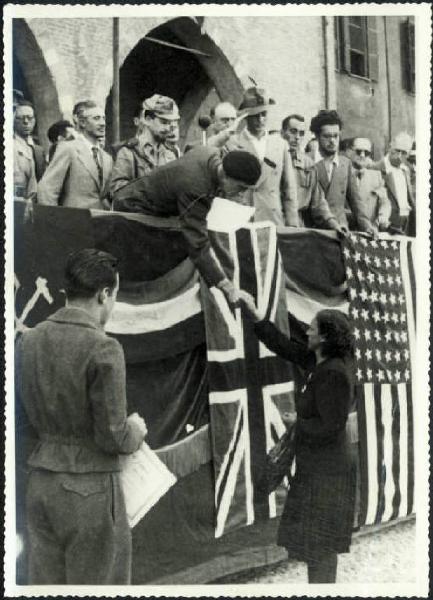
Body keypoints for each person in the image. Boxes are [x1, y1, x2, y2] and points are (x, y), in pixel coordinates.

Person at [15, 249, 148, 584]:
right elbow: (113, 436)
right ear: (104, 294)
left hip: (40, 484)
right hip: (90, 489)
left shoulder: (27, 341)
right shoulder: (104, 347)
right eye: (114, 295)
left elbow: (22, 421)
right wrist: (136, 429)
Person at [239, 291, 356, 584]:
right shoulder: (318, 361)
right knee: (314, 545)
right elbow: (283, 346)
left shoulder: (335, 373)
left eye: (314, 327)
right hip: (318, 470)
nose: (307, 330)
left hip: (329, 474)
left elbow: (331, 426)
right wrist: (255, 315)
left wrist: (297, 423)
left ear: (326, 338)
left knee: (322, 546)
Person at [112, 145, 261, 307]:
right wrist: (226, 285)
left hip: (150, 199)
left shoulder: (212, 153)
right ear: (224, 175)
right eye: (241, 188)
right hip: (132, 208)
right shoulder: (196, 189)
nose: (242, 194)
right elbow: (198, 245)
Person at [224, 87, 298, 227]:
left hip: (272, 218)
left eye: (264, 114)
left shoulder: (280, 145)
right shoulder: (233, 143)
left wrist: (292, 223)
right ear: (246, 116)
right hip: (242, 217)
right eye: (255, 116)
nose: (260, 120)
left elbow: (289, 188)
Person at [309, 109, 376, 237]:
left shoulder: (346, 164)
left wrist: (367, 225)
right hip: (313, 230)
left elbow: (356, 201)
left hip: (340, 231)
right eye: (327, 136)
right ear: (317, 136)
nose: (332, 141)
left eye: (336, 136)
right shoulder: (307, 161)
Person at [38, 101, 112, 210]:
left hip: (101, 222)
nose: (102, 123)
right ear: (82, 122)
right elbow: (47, 189)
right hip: (74, 221)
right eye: (96, 118)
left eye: (103, 118)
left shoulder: (107, 158)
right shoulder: (68, 149)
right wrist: (54, 222)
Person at [110, 95, 180, 195]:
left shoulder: (170, 154)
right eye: (164, 122)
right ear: (148, 119)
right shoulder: (129, 152)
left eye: (171, 123)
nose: (168, 128)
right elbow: (117, 190)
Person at [368, 132, 415, 235]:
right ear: (390, 146)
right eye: (397, 151)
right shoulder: (375, 168)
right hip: (385, 226)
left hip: (406, 225)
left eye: (404, 153)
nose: (399, 156)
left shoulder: (406, 170)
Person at [281, 114, 317, 227]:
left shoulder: (308, 164)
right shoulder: (271, 160)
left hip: (298, 222)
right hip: (277, 219)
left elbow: (318, 201)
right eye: (293, 131)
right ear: (282, 133)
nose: (297, 137)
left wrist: (333, 223)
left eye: (301, 134)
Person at [349, 137, 391, 232]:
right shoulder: (342, 174)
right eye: (358, 151)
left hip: (371, 232)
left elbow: (384, 203)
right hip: (348, 231)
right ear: (351, 151)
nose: (362, 155)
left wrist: (382, 219)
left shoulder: (376, 176)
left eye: (366, 153)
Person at [13, 101, 46, 200]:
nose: (26, 122)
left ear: (35, 120)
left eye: (30, 118)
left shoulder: (38, 149)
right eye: (20, 118)